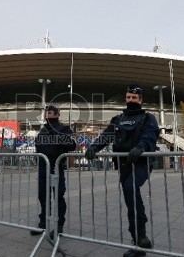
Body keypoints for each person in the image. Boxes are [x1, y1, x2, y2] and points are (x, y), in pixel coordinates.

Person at [85, 85, 159, 257]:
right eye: (128, 97)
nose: (130, 100)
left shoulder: (149, 117)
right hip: (124, 164)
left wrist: (140, 147)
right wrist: (94, 147)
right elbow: (106, 135)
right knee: (130, 197)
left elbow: (150, 135)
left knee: (130, 188)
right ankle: (138, 240)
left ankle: (141, 237)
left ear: (140, 100)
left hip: (141, 162)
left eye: (134, 98)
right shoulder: (118, 119)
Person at [31, 105, 76, 239]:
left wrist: (56, 135)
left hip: (56, 167)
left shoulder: (64, 129)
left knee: (58, 196)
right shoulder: (43, 130)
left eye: (49, 113)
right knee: (43, 195)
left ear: (56, 114)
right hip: (43, 167)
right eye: (46, 113)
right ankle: (43, 223)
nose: (47, 115)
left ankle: (59, 226)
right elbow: (38, 145)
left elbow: (71, 145)